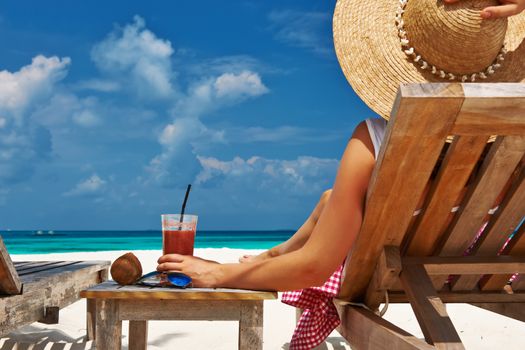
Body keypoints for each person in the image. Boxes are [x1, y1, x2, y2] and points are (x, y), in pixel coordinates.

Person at [159, 0, 525, 348]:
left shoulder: (375, 139)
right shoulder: (516, 140)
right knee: (331, 200)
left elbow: (316, 267)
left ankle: (271, 259)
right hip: (479, 266)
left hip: (395, 268)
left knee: (338, 204)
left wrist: (218, 274)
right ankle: (272, 254)